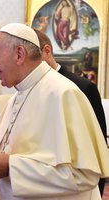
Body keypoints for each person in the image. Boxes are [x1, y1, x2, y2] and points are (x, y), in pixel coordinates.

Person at [0, 23, 109, 200]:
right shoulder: (17, 97)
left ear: (19, 54)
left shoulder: (64, 93)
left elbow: (83, 175)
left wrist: (11, 166)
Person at [34, 28, 108, 196]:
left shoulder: (83, 87)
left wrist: (98, 192)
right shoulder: (31, 90)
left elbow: (97, 147)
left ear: (47, 51)